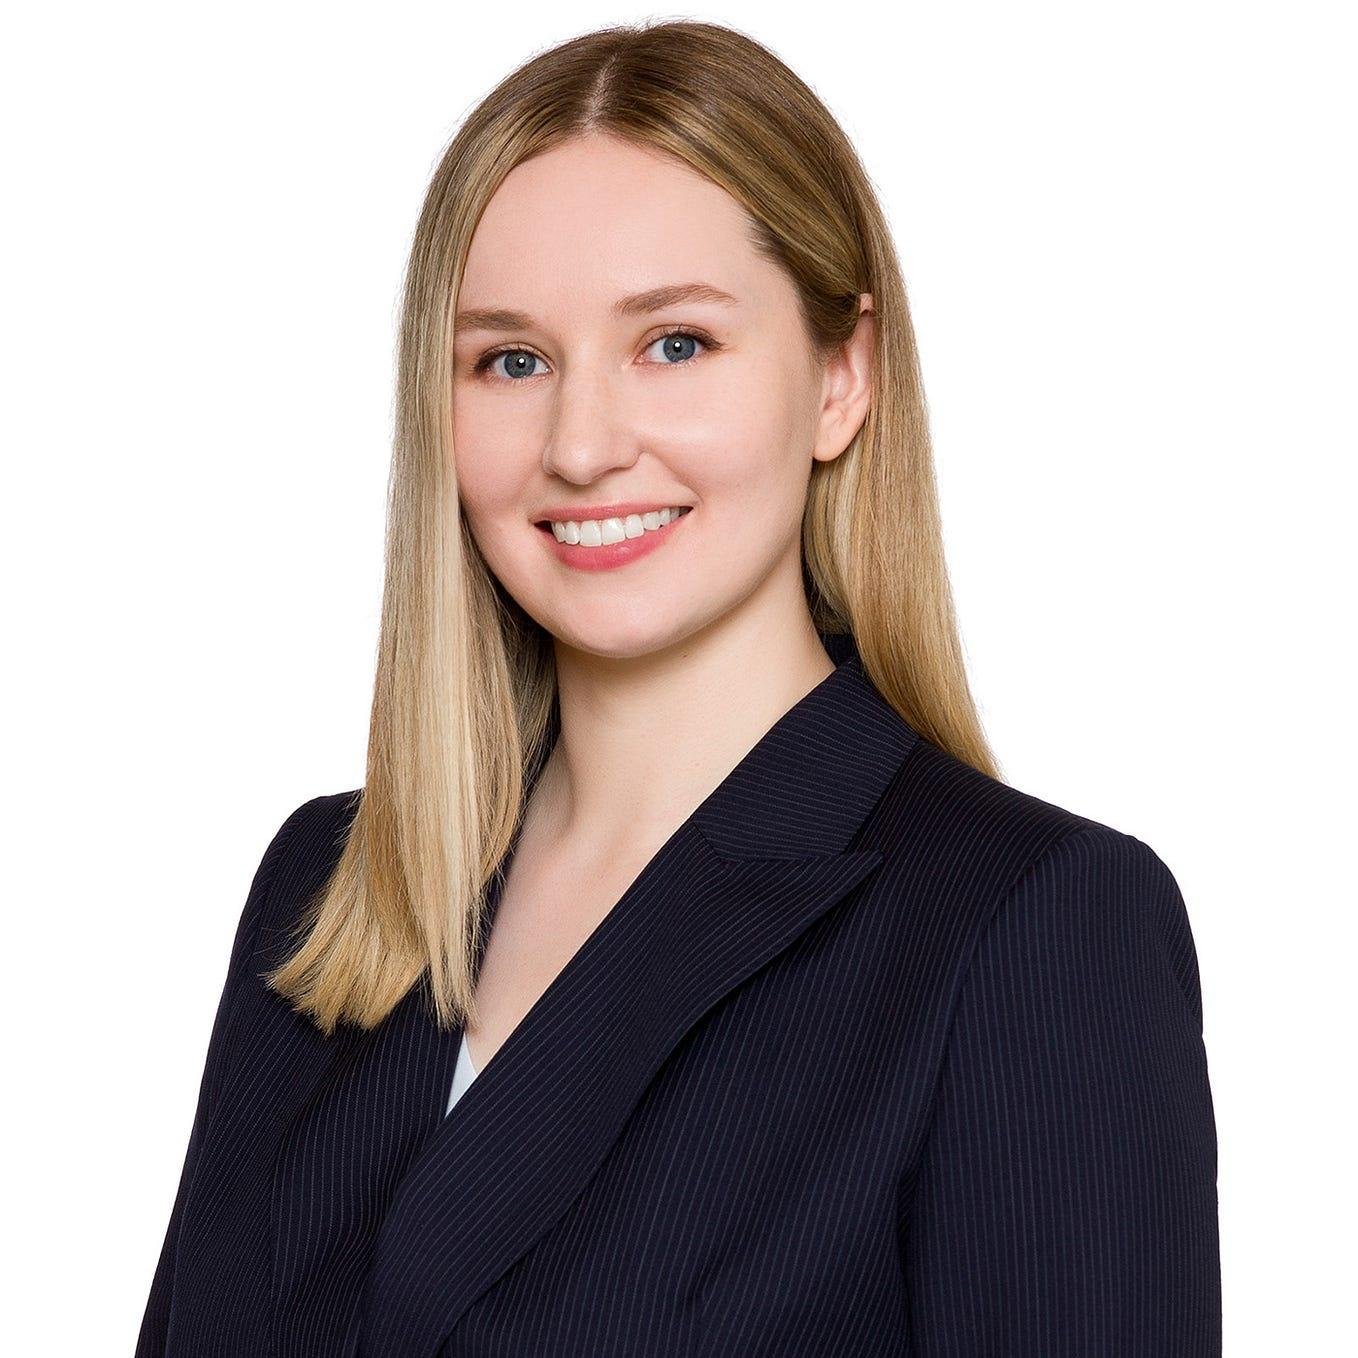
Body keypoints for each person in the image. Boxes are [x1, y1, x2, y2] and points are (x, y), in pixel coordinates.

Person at [135, 19, 1220, 1357]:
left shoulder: (1027, 929)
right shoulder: (328, 889)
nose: (583, 445)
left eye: (676, 344)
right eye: (512, 361)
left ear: (841, 377)